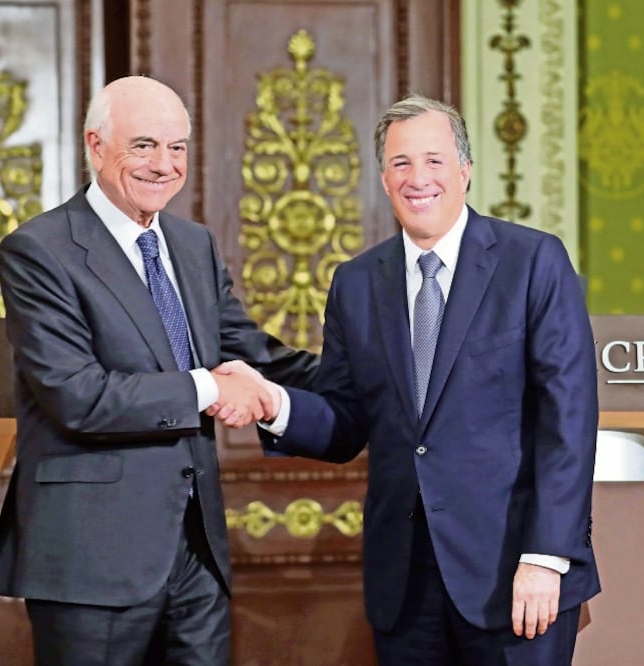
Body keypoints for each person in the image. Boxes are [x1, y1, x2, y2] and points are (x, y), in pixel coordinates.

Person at [224, 95, 600, 664]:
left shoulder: (534, 262)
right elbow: (346, 421)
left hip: (515, 574)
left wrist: (547, 557)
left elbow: (568, 422)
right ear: (383, 177)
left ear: (465, 171)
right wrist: (271, 403)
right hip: (404, 584)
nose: (417, 178)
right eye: (401, 164)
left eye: (434, 161)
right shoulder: (355, 283)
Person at [0, 75, 318, 665]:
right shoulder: (40, 250)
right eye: (143, 145)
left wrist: (382, 377)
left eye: (178, 147)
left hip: (197, 555)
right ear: (95, 146)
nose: (164, 164)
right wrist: (212, 387)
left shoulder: (193, 245)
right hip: (93, 561)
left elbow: (254, 353)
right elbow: (77, 395)